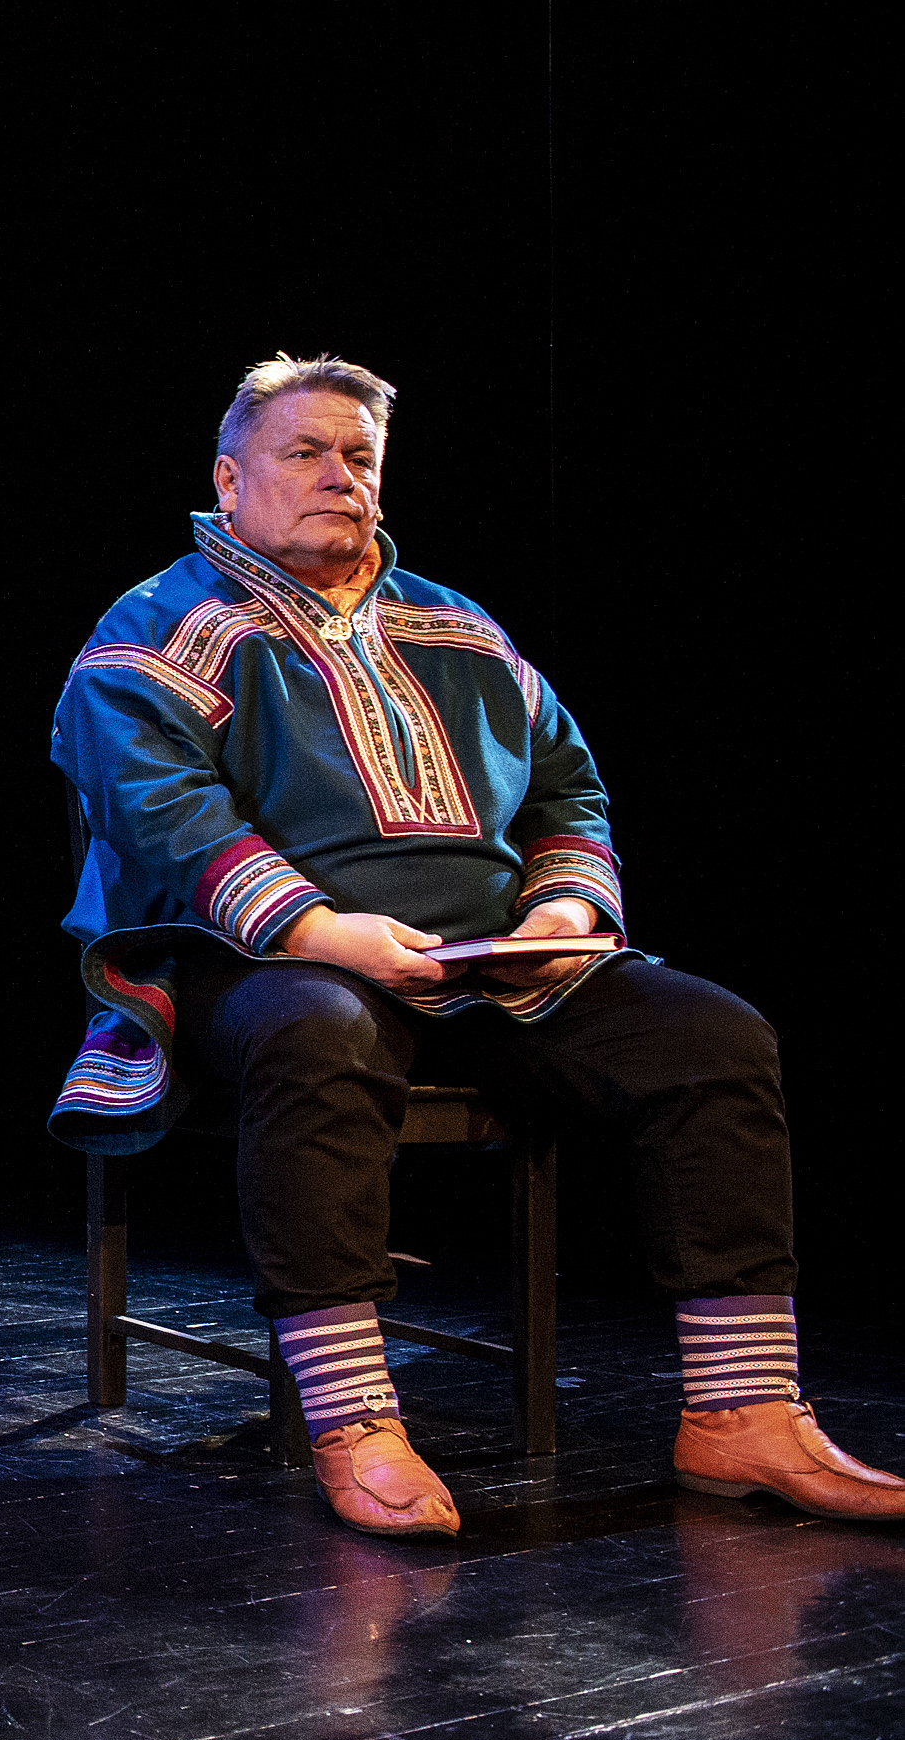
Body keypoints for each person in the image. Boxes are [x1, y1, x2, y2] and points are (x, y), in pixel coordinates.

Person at [53, 354, 895, 1534]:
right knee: (319, 1031)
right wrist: (326, 931)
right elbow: (162, 817)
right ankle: (354, 1420)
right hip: (260, 961)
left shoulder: (458, 625)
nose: (340, 477)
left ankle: (741, 1412)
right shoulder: (155, 629)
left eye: (359, 457)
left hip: (489, 967)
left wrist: (564, 915)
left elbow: (567, 791)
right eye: (307, 453)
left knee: (714, 1038)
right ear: (230, 480)